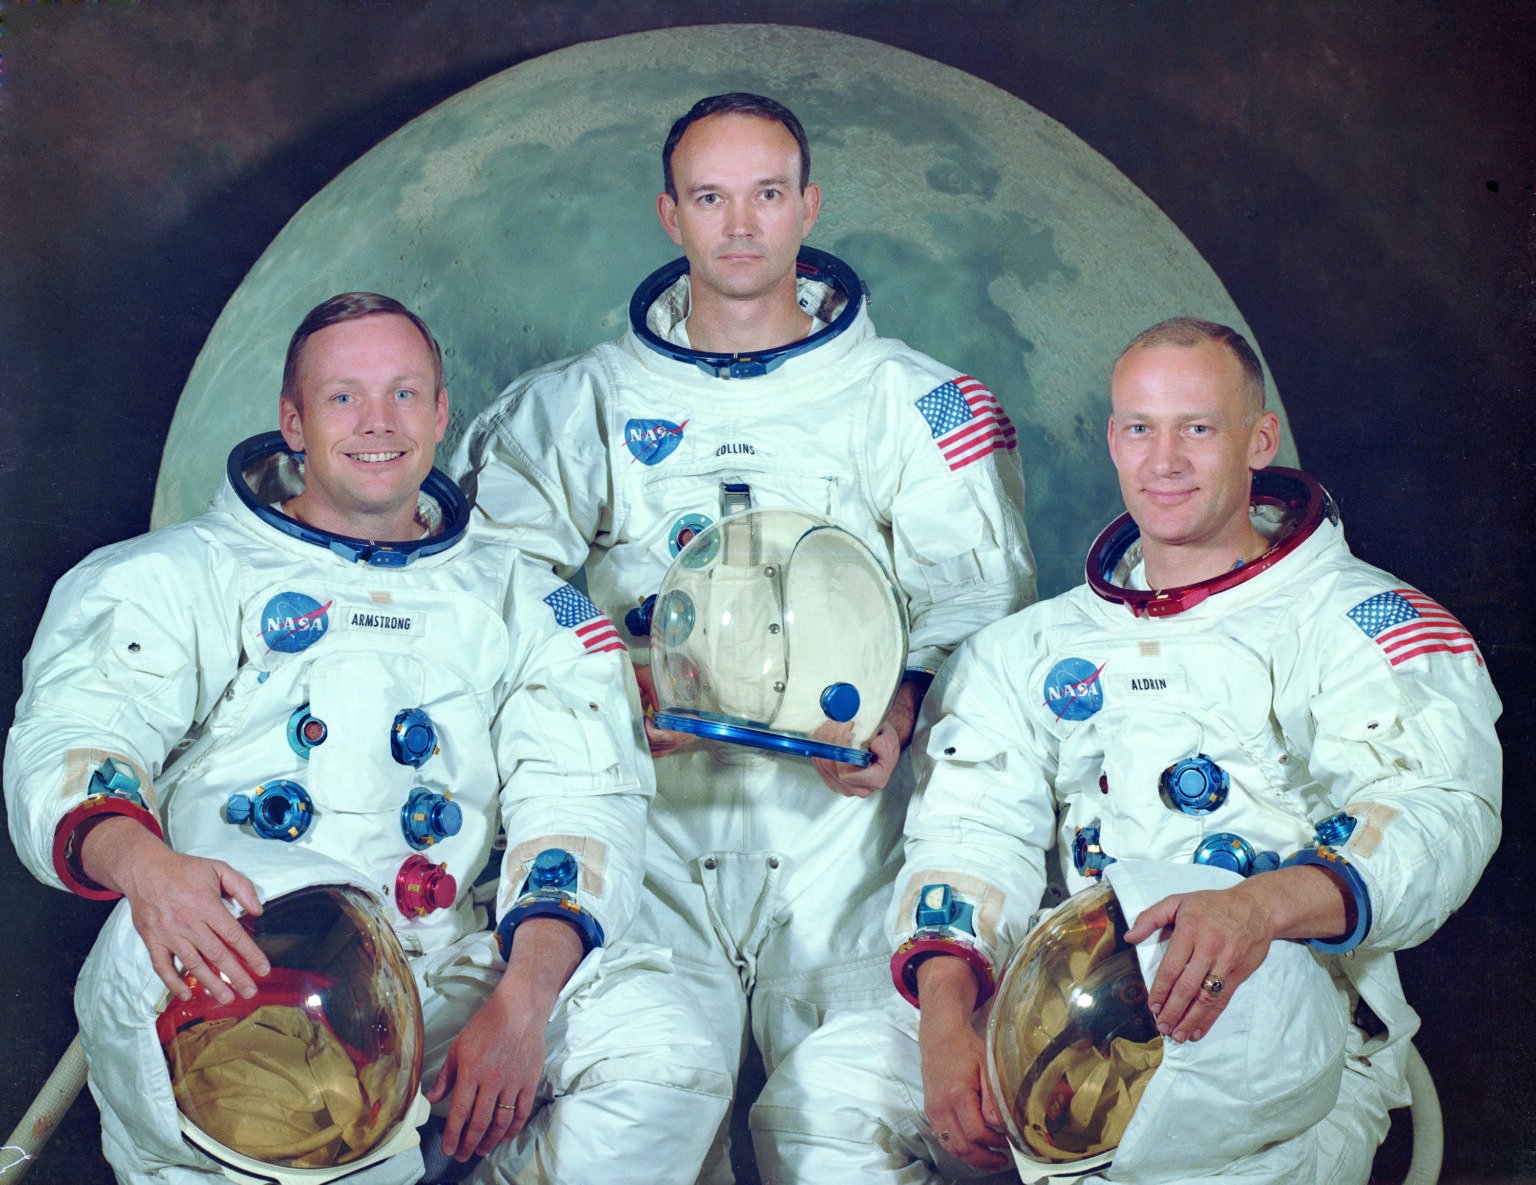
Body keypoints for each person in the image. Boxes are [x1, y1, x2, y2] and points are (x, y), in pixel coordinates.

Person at [750, 317, 1502, 1184]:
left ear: (1260, 440)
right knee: (821, 1107)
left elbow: (1437, 809)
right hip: (1066, 995)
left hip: (1278, 1005)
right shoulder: (1026, 649)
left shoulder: (1364, 621)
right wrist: (944, 1022)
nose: (1165, 460)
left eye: (1198, 428)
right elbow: (969, 835)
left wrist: (1259, 907)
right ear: (1113, 440)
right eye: (1141, 428)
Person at [4, 293, 730, 1185]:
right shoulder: (174, 575)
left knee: (667, 1056)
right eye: (343, 397)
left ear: (440, 414)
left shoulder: (531, 603)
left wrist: (523, 1002)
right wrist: (148, 871)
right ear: (293, 422)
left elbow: (580, 800)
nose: (377, 422)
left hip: (443, 965)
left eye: (403, 394)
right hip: (234, 965)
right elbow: (78, 735)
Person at [453, 93, 1036, 1175]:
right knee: (638, 1109)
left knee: (842, 1133)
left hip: (846, 840)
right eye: (711, 198)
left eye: (766, 195)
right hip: (651, 828)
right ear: (669, 215)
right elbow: (491, 594)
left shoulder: (913, 402)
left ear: (808, 206)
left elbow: (982, 609)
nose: (739, 225)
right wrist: (611, 682)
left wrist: (904, 706)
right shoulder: (574, 405)